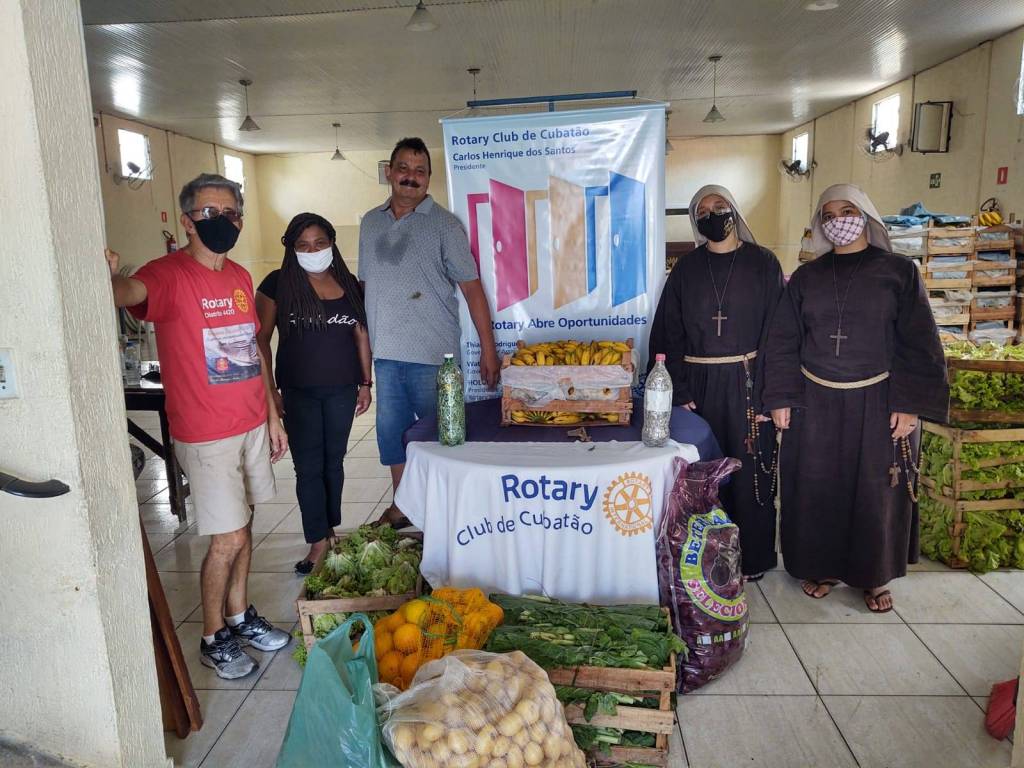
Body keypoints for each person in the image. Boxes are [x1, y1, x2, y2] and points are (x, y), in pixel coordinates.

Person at [105, 173, 290, 678]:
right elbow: (129, 292)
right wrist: (107, 276)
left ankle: (239, 614)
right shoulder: (168, 275)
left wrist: (272, 414)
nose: (221, 221)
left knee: (244, 525)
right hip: (206, 434)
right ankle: (213, 637)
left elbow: (253, 349)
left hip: (250, 423)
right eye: (210, 213)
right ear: (187, 222)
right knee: (227, 537)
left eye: (230, 213)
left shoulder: (239, 276)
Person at [761, 183, 948, 613]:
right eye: (828, 215)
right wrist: (781, 397)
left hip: (880, 400)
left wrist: (910, 404)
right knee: (818, 486)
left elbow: (919, 341)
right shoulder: (806, 278)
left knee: (875, 490)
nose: (838, 221)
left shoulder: (899, 272)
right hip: (815, 400)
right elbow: (784, 340)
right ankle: (822, 567)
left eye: (846, 211)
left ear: (866, 215)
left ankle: (873, 575)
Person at [358, 137, 500, 528]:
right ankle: (402, 507)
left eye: (420, 171)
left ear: (429, 178)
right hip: (386, 355)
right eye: (403, 168)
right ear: (389, 172)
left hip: (435, 358)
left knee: (444, 437)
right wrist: (362, 363)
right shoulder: (370, 223)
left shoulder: (444, 225)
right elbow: (365, 289)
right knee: (393, 437)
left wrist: (488, 350)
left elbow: (472, 288)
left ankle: (449, 510)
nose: (411, 177)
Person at [648, 184, 784, 580]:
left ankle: (753, 558)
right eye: (702, 210)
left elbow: (779, 332)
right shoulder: (686, 269)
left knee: (751, 471)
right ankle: (708, 560)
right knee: (704, 473)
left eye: (719, 205)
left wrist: (771, 391)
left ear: (734, 209)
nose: (712, 214)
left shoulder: (763, 263)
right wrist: (679, 388)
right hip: (699, 386)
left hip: (748, 382)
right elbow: (668, 331)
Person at [256, 213, 373, 575]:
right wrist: (270, 391)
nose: (313, 251)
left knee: (333, 463)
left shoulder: (347, 283)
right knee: (308, 467)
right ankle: (317, 542)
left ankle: (330, 529)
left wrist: (365, 383)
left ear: (332, 243)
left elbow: (360, 335)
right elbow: (260, 340)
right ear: (291, 248)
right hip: (298, 391)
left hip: (342, 389)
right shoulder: (278, 284)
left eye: (320, 243)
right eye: (303, 245)